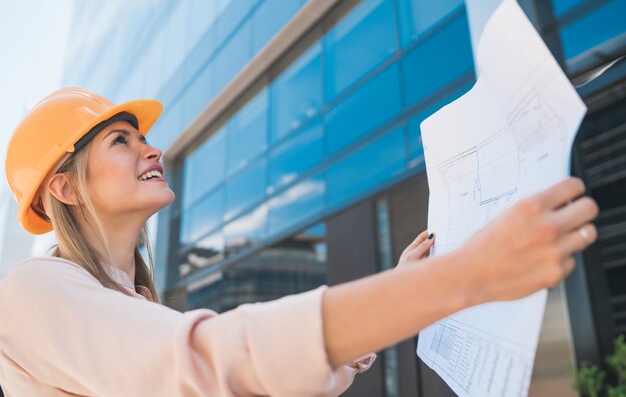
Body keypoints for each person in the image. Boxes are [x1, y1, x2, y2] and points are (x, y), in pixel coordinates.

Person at [0, 87, 598, 397]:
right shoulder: (33, 292)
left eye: (143, 137)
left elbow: (257, 378)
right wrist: (462, 276)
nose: (152, 149)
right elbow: (217, 362)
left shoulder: (134, 308)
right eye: (121, 141)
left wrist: (399, 289)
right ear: (64, 188)